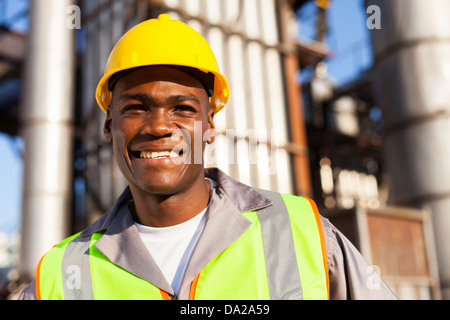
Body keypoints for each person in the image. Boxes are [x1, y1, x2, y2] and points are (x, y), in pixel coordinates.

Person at [19, 14, 397, 300]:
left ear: (210, 125)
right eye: (135, 107)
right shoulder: (58, 274)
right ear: (109, 125)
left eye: (182, 108)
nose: (159, 126)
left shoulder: (305, 234)